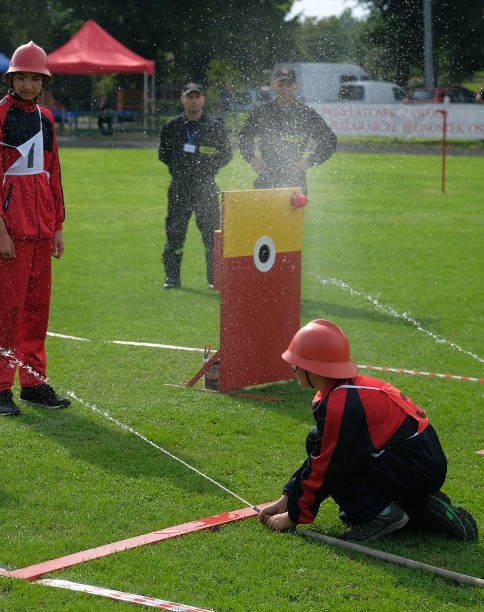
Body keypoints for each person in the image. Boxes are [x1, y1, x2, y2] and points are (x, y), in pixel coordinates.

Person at [259, 319, 478, 542]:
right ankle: (420, 507)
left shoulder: (341, 404)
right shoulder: (344, 390)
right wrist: (287, 498)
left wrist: (294, 516)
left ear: (311, 369)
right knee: (317, 439)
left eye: (295, 364)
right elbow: (320, 449)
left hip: (413, 464)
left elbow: (326, 465)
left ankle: (382, 515)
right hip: (416, 460)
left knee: (337, 463)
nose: (293, 369)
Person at [0, 41, 70, 416]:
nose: (29, 84)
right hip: (9, 233)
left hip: (43, 229)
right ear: (10, 78)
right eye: (22, 77)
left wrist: (58, 225)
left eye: (35, 77)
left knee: (36, 310)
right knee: (4, 312)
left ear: (43, 81)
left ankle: (33, 382)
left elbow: (53, 173)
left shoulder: (46, 118)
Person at [158, 82, 232, 290]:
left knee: (212, 235)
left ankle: (213, 279)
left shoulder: (215, 127)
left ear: (203, 100)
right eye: (189, 96)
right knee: (175, 234)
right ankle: (172, 278)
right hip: (179, 188)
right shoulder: (171, 127)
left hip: (205, 188)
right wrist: (180, 169)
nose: (193, 100)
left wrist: (208, 170)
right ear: (182, 99)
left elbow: (226, 155)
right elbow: (164, 154)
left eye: (197, 96)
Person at [238, 68, 336, 194]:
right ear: (274, 86)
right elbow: (244, 137)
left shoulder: (306, 114)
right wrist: (252, 158)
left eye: (288, 85)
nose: (284, 89)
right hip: (266, 178)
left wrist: (309, 161)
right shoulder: (262, 112)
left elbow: (329, 140)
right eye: (280, 85)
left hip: (295, 182)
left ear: (295, 86)